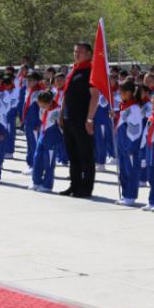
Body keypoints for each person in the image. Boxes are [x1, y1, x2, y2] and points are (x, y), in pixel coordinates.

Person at [60, 43, 100, 198]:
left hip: (82, 119)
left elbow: (95, 96)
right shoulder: (74, 70)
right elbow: (66, 94)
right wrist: (62, 113)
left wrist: (89, 119)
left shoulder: (90, 71)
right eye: (75, 51)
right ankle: (74, 185)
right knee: (73, 155)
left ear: (89, 54)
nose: (76, 54)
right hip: (69, 118)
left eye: (80, 52)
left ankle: (86, 188)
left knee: (85, 155)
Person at [115, 81, 143, 206]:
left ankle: (130, 196)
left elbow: (135, 129)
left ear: (129, 93)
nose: (120, 94)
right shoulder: (125, 106)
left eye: (122, 92)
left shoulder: (134, 108)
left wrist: (130, 146)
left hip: (129, 146)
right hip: (122, 145)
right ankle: (126, 194)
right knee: (123, 171)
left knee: (130, 171)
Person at [31, 90, 62, 193]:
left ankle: (47, 185)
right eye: (40, 104)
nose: (42, 107)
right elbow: (42, 120)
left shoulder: (57, 110)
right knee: (37, 159)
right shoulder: (41, 109)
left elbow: (62, 126)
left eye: (44, 105)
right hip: (43, 135)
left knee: (48, 162)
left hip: (52, 138)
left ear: (49, 102)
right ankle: (37, 181)